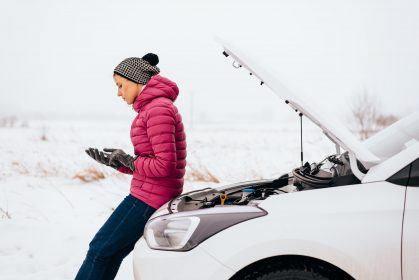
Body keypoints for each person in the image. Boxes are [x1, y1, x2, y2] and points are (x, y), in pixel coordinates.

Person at [75, 53, 187, 280]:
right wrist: (118, 163)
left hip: (150, 197)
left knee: (100, 250)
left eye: (120, 85)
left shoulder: (158, 109)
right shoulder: (153, 108)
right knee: (108, 252)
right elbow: (149, 162)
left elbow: (164, 165)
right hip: (148, 192)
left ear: (136, 80)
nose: (118, 92)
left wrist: (129, 160)